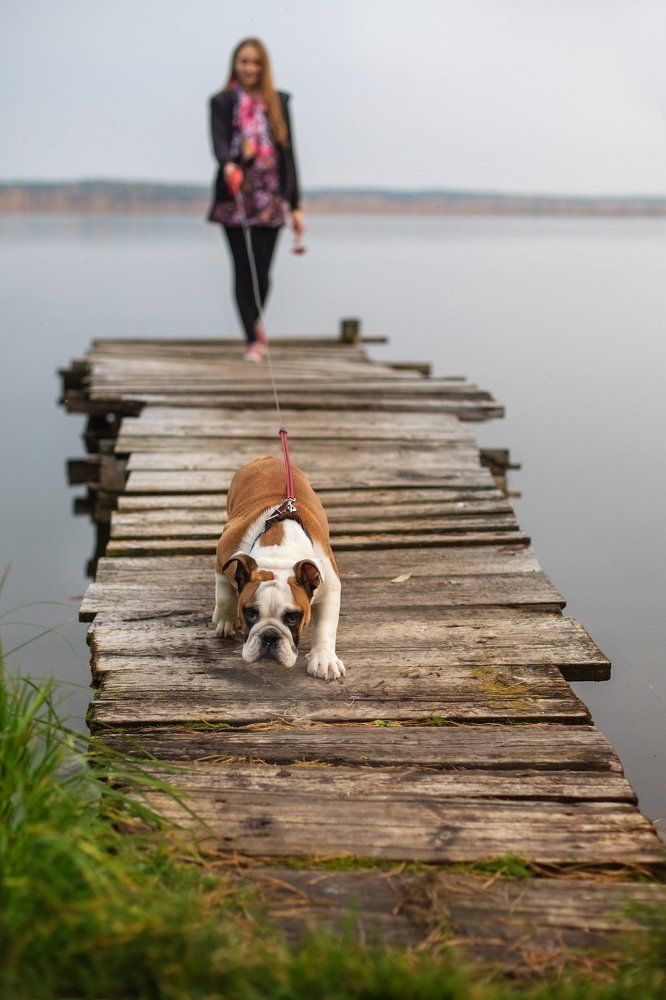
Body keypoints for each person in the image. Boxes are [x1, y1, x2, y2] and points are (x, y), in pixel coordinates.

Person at [207, 38, 303, 361]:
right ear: (235, 64)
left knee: (262, 271)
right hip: (234, 196)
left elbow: (290, 155)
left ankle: (255, 323)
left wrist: (297, 205)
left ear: (264, 66)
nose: (249, 68)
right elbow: (219, 149)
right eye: (244, 61)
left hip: (272, 196)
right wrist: (235, 157)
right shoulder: (220, 102)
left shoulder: (279, 101)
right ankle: (253, 339)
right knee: (241, 269)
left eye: (256, 62)